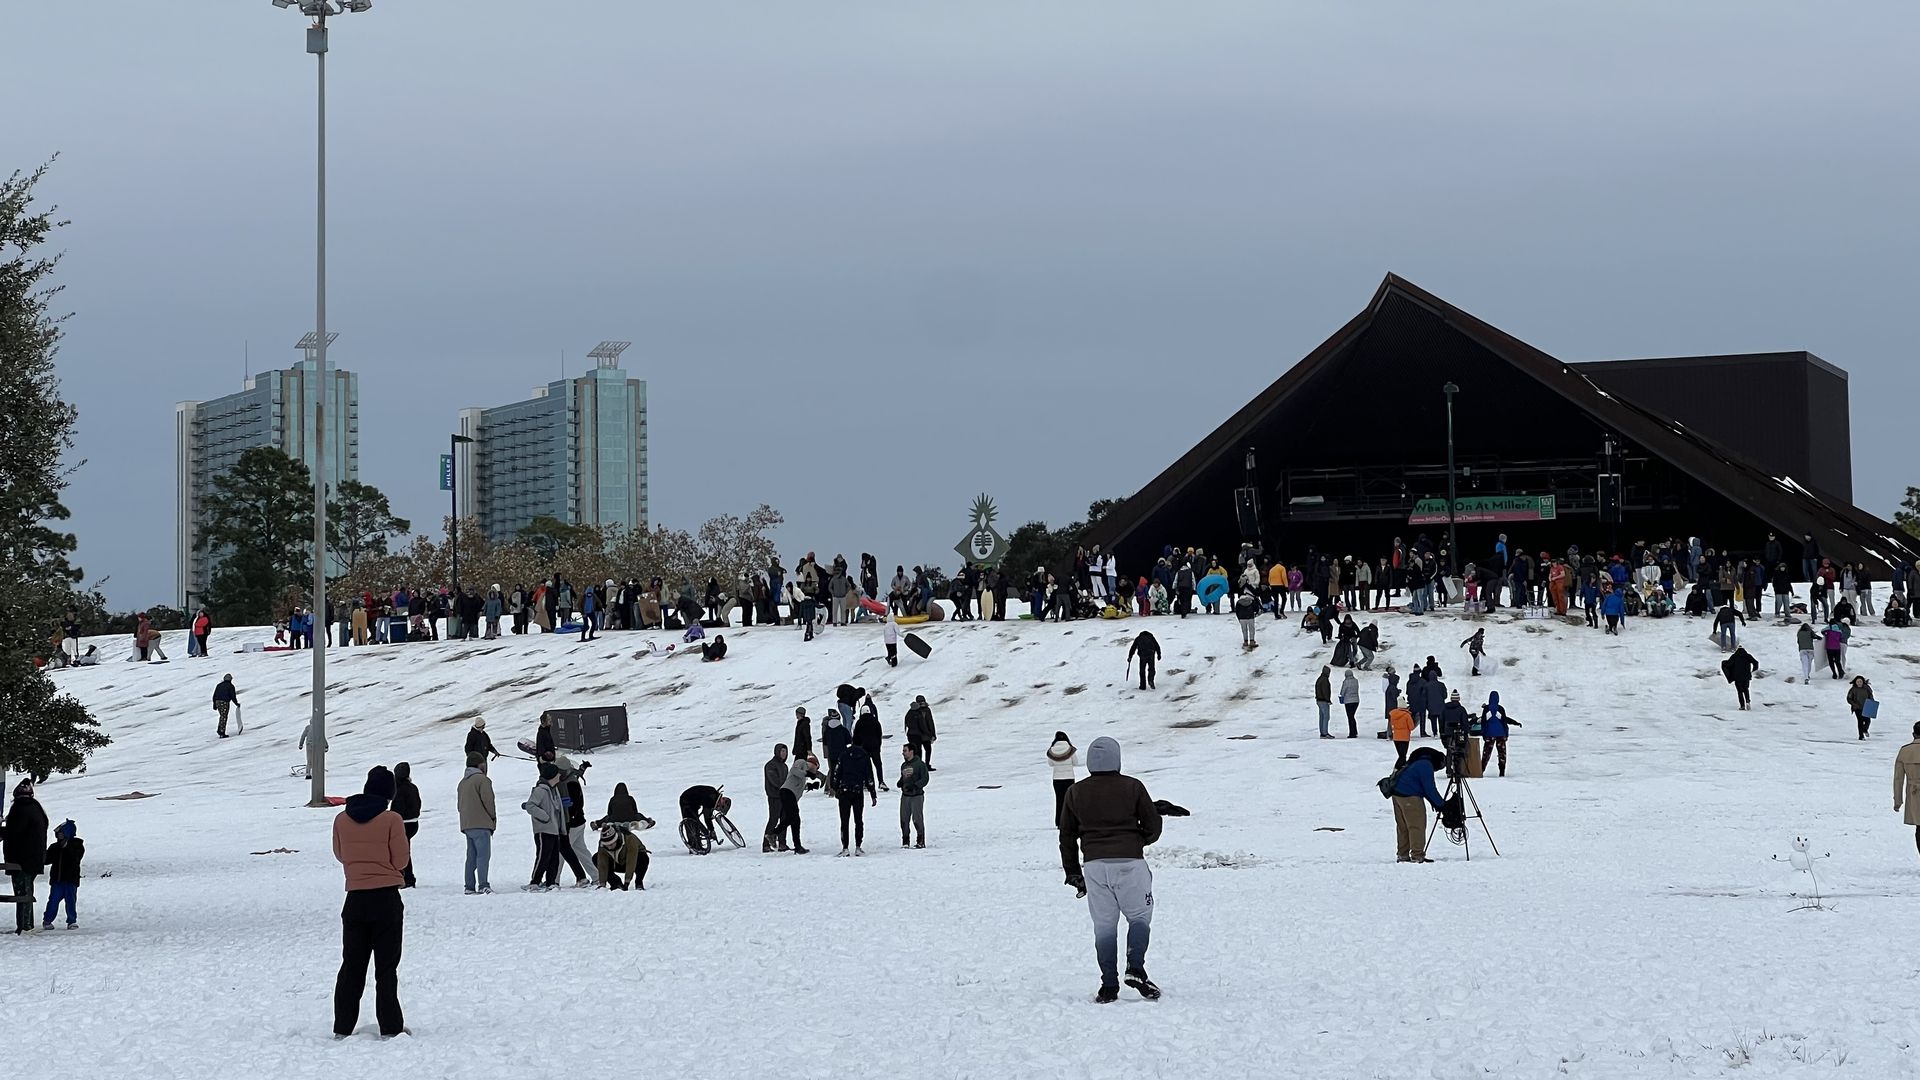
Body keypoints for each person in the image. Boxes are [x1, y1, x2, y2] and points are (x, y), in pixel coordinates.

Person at [1058, 736, 1163, 1003]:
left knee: (1104, 926)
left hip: (1094, 866)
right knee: (1139, 916)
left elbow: (1067, 836)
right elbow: (1153, 826)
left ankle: (1108, 986)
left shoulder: (1075, 792)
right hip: (1130, 863)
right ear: (1117, 758)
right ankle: (1135, 968)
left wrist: (1072, 871)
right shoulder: (1133, 787)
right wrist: (1139, 839)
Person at [331, 766, 409, 1038]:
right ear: (389, 793)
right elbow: (400, 861)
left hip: (354, 899)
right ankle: (390, 1026)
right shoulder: (392, 819)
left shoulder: (341, 819)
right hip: (386, 899)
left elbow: (340, 855)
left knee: (351, 965)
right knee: (386, 968)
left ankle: (342, 1026)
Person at [5, 779, 50, 934]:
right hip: (33, 858)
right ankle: (26, 924)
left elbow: (14, 831)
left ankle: (25, 925)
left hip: (21, 859)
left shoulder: (21, 809)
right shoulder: (35, 808)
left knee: (22, 893)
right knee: (27, 891)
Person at [1389, 747, 1448, 863]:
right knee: (1416, 826)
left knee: (1403, 827)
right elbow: (1429, 788)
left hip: (1396, 794)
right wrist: (1442, 805)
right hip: (1410, 796)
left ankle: (1402, 854)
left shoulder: (1416, 761)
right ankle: (1417, 855)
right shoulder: (1425, 765)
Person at [521, 763, 566, 891]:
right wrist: (545, 817)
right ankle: (535, 881)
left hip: (554, 830)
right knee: (543, 857)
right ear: (552, 775)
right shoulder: (540, 790)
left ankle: (551, 882)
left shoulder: (554, 789)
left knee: (554, 858)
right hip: (544, 830)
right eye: (557, 773)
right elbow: (530, 806)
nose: (559, 775)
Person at [456, 752, 496, 894]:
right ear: (480, 764)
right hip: (482, 823)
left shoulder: (462, 782)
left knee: (471, 857)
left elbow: (459, 805)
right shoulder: (482, 780)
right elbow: (488, 802)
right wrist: (492, 818)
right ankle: (483, 884)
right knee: (483, 856)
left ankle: (469, 886)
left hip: (467, 824)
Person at [833, 743, 875, 856]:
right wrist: (872, 792)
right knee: (858, 820)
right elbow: (869, 775)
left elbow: (837, 772)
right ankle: (858, 846)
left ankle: (845, 847)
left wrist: (835, 787)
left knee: (844, 821)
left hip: (844, 791)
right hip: (857, 791)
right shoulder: (864, 755)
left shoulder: (844, 755)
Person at [40, 818, 82, 930]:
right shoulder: (54, 847)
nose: (58, 836)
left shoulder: (77, 845)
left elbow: (75, 858)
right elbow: (47, 860)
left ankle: (72, 921)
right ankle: (47, 920)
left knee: (71, 901)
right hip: (57, 880)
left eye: (61, 833)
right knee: (53, 901)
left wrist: (66, 848)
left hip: (70, 880)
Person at [776, 753, 818, 854]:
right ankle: (774, 833)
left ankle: (797, 846)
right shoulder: (801, 762)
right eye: (816, 768)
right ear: (813, 764)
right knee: (793, 817)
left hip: (791, 795)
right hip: (787, 792)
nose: (815, 771)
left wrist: (810, 786)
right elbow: (794, 771)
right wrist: (807, 774)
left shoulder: (804, 774)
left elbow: (797, 785)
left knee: (795, 820)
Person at [391, 762, 421, 888]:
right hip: (414, 823)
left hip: (403, 823)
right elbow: (418, 804)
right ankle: (406, 877)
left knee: (402, 852)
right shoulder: (412, 787)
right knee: (405, 850)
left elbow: (397, 809)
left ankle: (408, 878)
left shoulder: (399, 789)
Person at [1895, 722, 1920, 861]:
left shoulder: (1905, 751)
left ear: (1913, 734)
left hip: (1914, 794)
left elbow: (1898, 779)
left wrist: (1897, 801)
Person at [678, 784, 729, 851]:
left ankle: (697, 844)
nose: (717, 808)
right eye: (719, 808)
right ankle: (694, 847)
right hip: (686, 801)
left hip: (693, 801)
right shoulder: (710, 799)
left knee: (696, 822)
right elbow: (707, 817)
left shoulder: (714, 794)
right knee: (692, 823)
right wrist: (711, 830)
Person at [1479, 692, 1520, 776]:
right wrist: (1506, 733)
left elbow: (1483, 722)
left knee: (1486, 753)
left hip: (1489, 734)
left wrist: (1483, 734)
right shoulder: (1500, 709)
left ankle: (1481, 770)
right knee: (1502, 753)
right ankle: (1502, 771)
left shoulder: (1486, 709)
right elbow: (1504, 721)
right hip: (1501, 734)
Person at [853, 697, 888, 793]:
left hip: (863, 748)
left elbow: (856, 737)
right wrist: (878, 745)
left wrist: (856, 747)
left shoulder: (859, 723)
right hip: (875, 747)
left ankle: (867, 782)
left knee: (866, 766)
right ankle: (881, 781)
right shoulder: (875, 722)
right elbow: (879, 734)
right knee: (878, 765)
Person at [899, 744, 930, 848]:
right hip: (905, 795)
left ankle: (920, 840)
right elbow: (904, 778)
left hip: (916, 796)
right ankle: (905, 840)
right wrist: (901, 782)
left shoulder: (920, 765)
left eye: (905, 750)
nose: (903, 753)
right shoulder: (904, 765)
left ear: (911, 751)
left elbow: (925, 779)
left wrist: (915, 786)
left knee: (917, 818)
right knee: (904, 818)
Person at [763, 744, 789, 852]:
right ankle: (766, 844)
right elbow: (774, 781)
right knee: (773, 819)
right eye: (782, 751)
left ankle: (782, 843)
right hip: (774, 796)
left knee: (784, 819)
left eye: (785, 751)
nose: (784, 754)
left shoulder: (784, 766)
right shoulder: (770, 765)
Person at [1049, 732, 1079, 823]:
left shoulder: (1052, 750)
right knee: (1069, 801)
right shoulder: (1070, 749)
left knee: (1059, 800)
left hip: (1057, 779)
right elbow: (1076, 762)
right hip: (1069, 778)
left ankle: (1059, 821)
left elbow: (1050, 764)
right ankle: (1070, 821)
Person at [905, 695, 936, 769]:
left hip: (916, 735)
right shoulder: (924, 710)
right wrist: (931, 733)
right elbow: (929, 722)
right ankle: (925, 765)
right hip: (924, 734)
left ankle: (921, 766)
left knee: (920, 751)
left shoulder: (912, 710)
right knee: (926, 749)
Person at [1724, 647, 1760, 711]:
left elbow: (1728, 665)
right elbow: (1756, 662)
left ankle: (1742, 706)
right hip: (1746, 676)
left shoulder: (1734, 656)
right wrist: (1753, 670)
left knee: (1740, 691)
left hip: (1737, 677)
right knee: (1746, 689)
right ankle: (1748, 701)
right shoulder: (1747, 656)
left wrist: (1724, 663)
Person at [1848, 676, 1875, 740]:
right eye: (1858, 682)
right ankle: (1861, 736)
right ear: (1855, 682)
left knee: (1868, 720)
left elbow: (1870, 695)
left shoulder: (1867, 688)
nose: (1859, 683)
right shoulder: (1853, 689)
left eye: (1860, 681)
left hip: (1866, 707)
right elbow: (1849, 698)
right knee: (1860, 721)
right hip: (1857, 708)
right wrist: (1854, 705)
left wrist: (1871, 702)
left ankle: (1865, 729)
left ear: (1863, 682)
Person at [212, 674, 240, 739]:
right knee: (224, 716)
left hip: (218, 702)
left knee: (222, 716)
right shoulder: (231, 686)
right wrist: (236, 704)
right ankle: (221, 732)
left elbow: (214, 695)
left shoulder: (219, 685)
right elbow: (233, 696)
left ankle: (220, 730)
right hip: (224, 702)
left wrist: (214, 704)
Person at [1339, 669, 1361, 738]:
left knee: (1350, 717)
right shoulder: (1356, 681)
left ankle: (1352, 733)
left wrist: (1341, 696)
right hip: (1356, 701)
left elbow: (1342, 691)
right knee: (1352, 716)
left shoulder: (1346, 682)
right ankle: (1355, 731)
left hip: (1348, 701)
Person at [1315, 665, 1334, 740]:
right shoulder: (1325, 680)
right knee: (1326, 717)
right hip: (1323, 701)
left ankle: (1322, 732)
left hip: (1319, 700)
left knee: (1321, 717)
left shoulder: (1319, 679)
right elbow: (1325, 691)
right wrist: (1328, 700)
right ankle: (1325, 733)